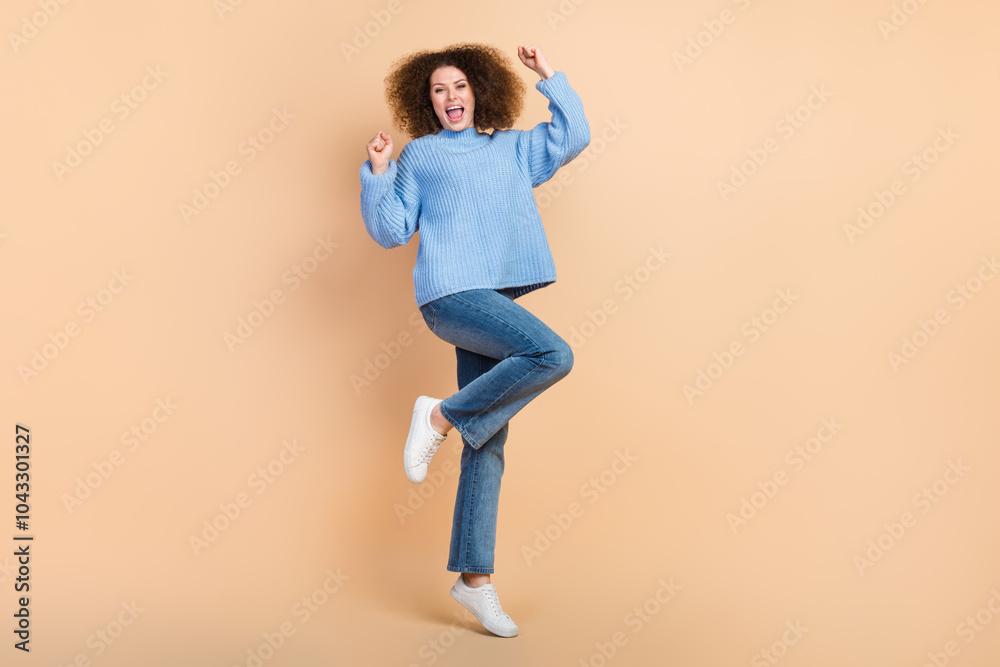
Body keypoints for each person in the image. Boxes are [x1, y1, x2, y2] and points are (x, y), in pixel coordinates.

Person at [359, 42, 590, 638]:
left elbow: (574, 136)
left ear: (479, 91)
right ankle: (438, 416)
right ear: (425, 101)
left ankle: (475, 581)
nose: (450, 98)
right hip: (450, 295)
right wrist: (380, 173)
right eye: (438, 90)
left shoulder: (511, 148)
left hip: (494, 298)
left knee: (486, 443)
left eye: (459, 86)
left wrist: (549, 77)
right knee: (552, 354)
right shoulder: (423, 158)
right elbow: (389, 230)